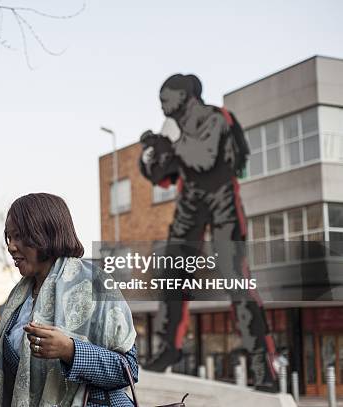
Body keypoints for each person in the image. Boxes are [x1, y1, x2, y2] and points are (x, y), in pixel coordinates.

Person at [138, 74, 278, 391]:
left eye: (166, 95)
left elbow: (205, 160)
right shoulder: (179, 130)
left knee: (236, 280)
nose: (161, 102)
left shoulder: (216, 118)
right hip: (191, 201)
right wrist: (150, 155)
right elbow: (162, 176)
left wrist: (170, 150)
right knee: (172, 274)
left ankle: (262, 366)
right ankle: (167, 349)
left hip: (222, 200)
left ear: (187, 96)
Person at [0, 193, 138, 407]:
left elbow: (129, 369)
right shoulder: (17, 298)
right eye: (9, 238)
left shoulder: (94, 283)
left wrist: (70, 350)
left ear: (45, 233)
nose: (11, 246)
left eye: (19, 236)